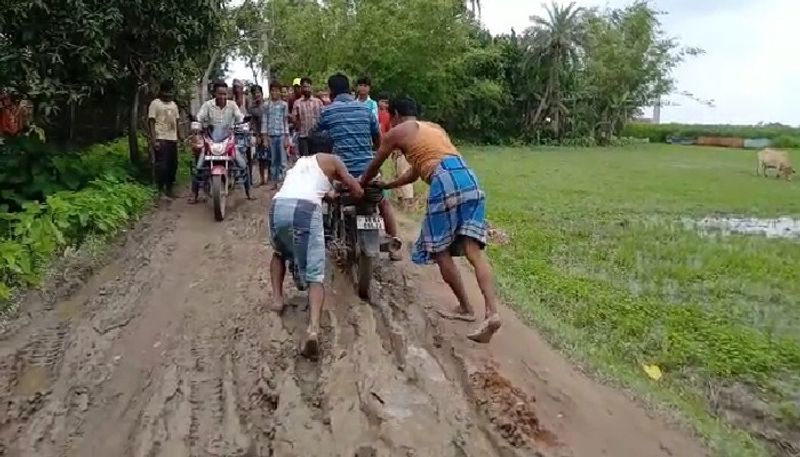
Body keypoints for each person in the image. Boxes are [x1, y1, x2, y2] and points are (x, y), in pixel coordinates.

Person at [360, 97, 501, 343]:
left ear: (393, 114)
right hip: (468, 177)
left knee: (440, 251)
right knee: (474, 252)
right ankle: (492, 312)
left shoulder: (396, 132)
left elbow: (375, 163)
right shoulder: (434, 129)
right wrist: (390, 185)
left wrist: (361, 184)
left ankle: (466, 308)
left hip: (444, 181)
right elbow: (416, 171)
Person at [269, 130, 364, 359]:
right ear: (330, 148)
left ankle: (277, 299)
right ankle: (313, 329)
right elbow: (355, 188)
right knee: (315, 274)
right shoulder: (333, 160)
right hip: (305, 210)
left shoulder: (300, 163)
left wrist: (330, 194)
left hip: (278, 207)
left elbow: (319, 189)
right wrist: (359, 191)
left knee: (279, 252)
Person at [317, 73, 402, 261]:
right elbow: (379, 140)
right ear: (350, 89)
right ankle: (394, 244)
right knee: (383, 201)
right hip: (368, 171)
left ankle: (324, 237)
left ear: (331, 92)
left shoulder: (327, 111)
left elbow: (316, 136)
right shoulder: (366, 110)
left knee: (325, 198)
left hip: (341, 173)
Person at [196, 80, 251, 200]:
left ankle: (248, 192)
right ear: (214, 93)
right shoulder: (207, 105)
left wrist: (242, 123)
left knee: (242, 164)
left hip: (228, 140)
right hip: (211, 140)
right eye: (220, 93)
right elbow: (199, 117)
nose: (222, 96)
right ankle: (194, 194)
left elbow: (239, 117)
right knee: (199, 167)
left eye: (224, 94)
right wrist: (197, 123)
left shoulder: (232, 105)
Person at [377, 93, 414, 208]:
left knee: (403, 173)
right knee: (399, 174)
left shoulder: (402, 128)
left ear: (396, 114)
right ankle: (403, 200)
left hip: (402, 153)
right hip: (398, 152)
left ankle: (407, 202)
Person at [147, 81, 181, 197]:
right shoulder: (155, 104)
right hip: (161, 138)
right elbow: (151, 121)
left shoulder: (174, 105)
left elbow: (177, 121)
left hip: (172, 138)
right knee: (162, 165)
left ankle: (170, 188)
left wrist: (179, 136)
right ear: (161, 91)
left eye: (170, 92)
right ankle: (160, 189)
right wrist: (154, 139)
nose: (168, 95)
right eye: (166, 92)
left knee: (173, 164)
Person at [261, 80, 291, 188]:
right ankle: (274, 182)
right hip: (271, 135)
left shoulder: (284, 105)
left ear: (280, 92)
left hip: (281, 134)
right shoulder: (266, 105)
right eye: (272, 91)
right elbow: (264, 121)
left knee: (283, 160)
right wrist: (264, 137)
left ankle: (283, 182)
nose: (275, 93)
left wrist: (287, 137)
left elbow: (285, 121)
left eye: (277, 91)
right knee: (273, 160)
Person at [292, 77, 324, 157]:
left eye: (308, 87)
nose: (307, 89)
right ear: (301, 88)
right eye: (305, 87)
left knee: (316, 159)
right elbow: (294, 118)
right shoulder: (297, 103)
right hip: (303, 136)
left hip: (316, 136)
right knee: (305, 160)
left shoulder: (318, 102)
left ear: (311, 87)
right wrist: (298, 126)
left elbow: (323, 117)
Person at [248, 85, 269, 186]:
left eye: (258, 93)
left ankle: (270, 177)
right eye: (254, 93)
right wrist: (257, 136)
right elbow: (252, 123)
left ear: (262, 93)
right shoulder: (252, 109)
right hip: (259, 135)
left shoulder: (268, 105)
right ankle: (262, 178)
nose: (257, 95)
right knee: (261, 158)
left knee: (270, 157)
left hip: (270, 134)